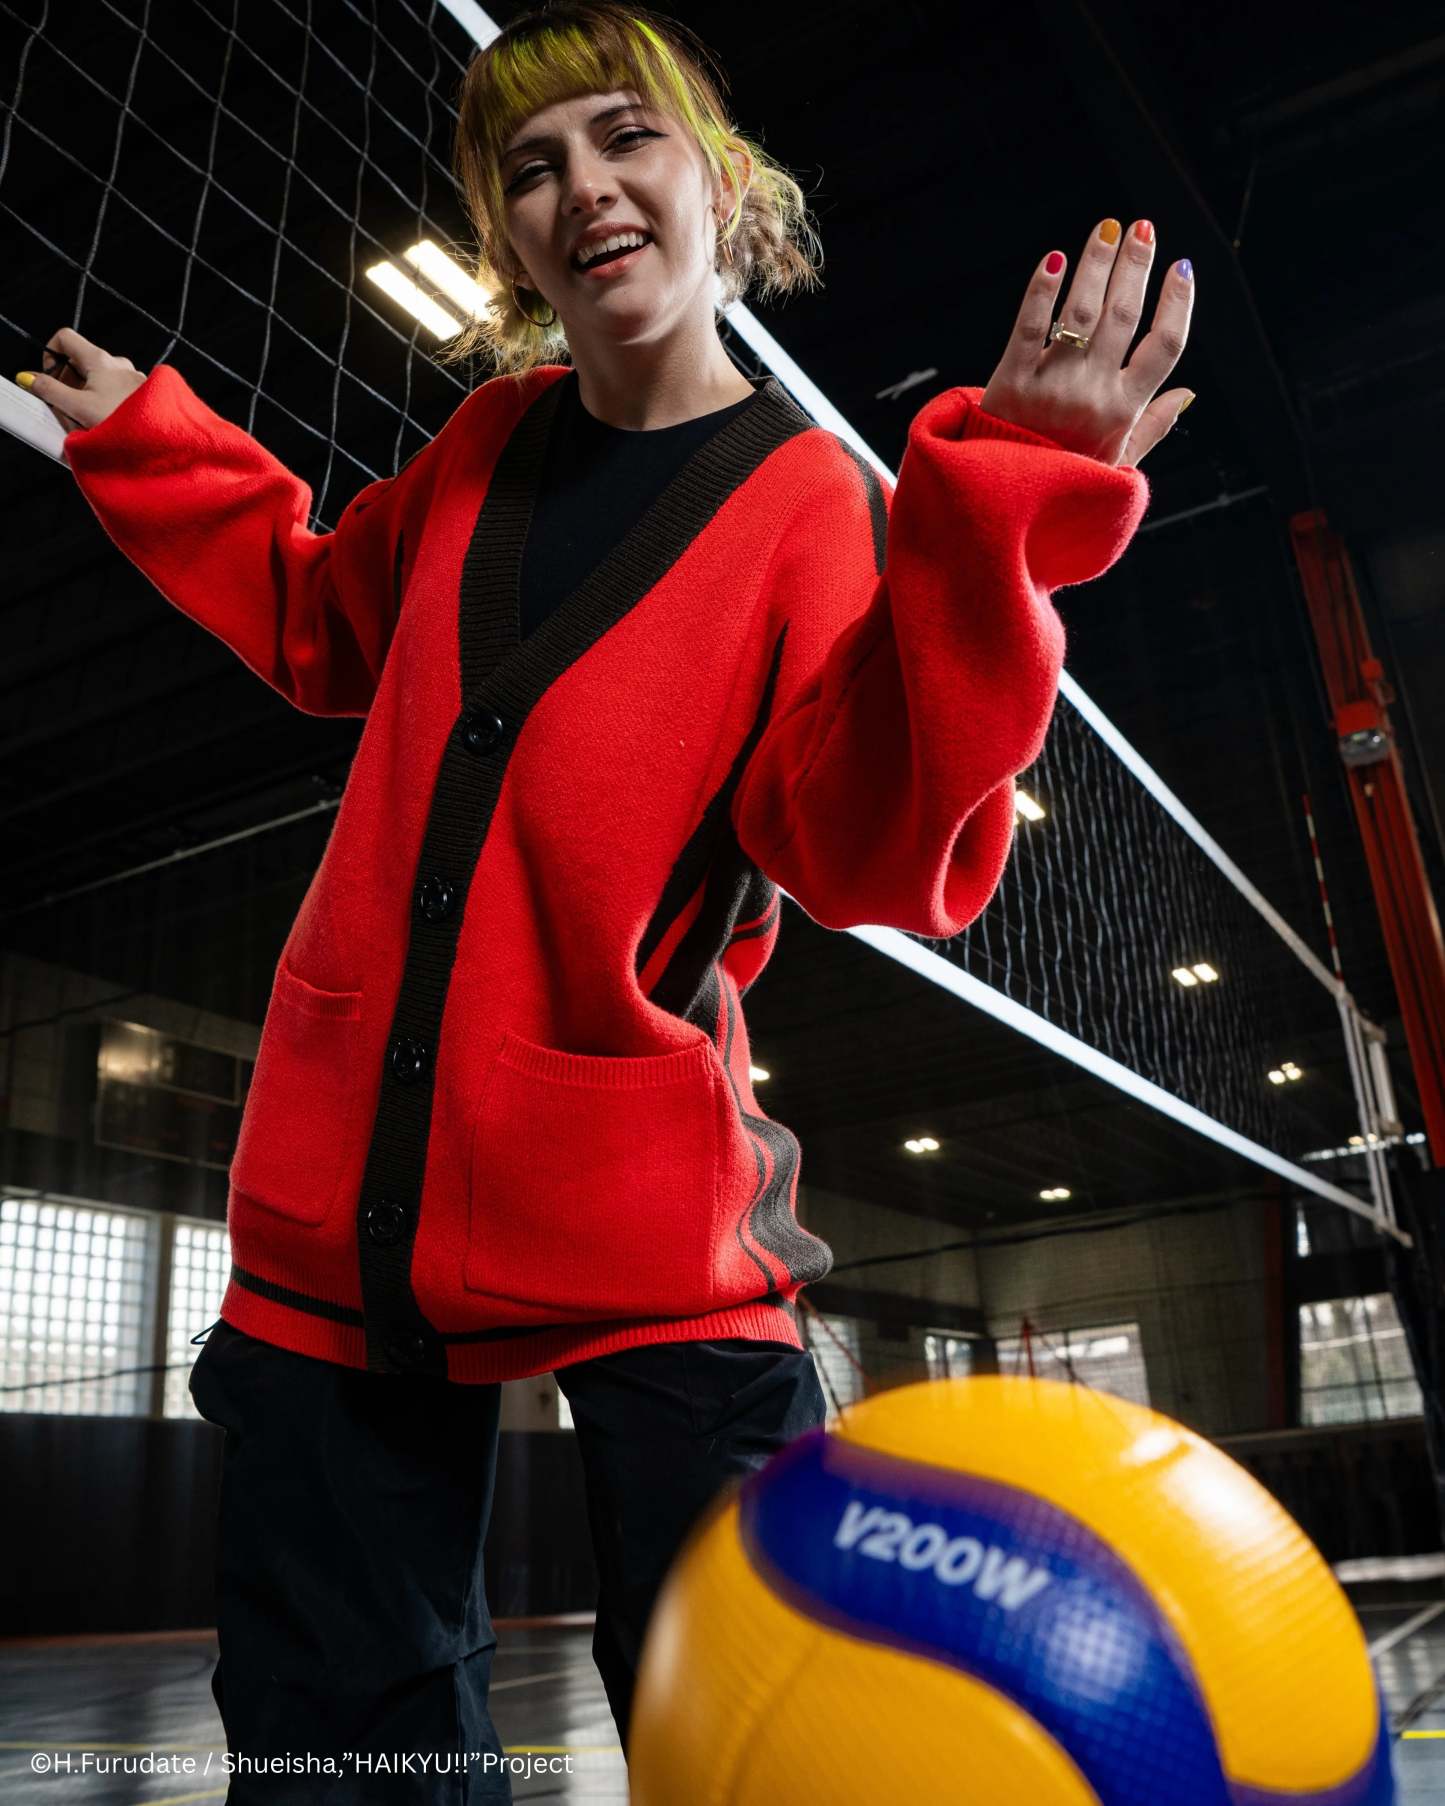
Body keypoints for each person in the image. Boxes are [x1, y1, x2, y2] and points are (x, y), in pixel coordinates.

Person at [19, 4, 1192, 1798]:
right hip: (337, 1221)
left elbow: (865, 847)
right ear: (507, 240)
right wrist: (152, 447)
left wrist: (997, 513)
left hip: (653, 1230)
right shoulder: (482, 441)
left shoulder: (811, 502)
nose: (582, 186)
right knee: (343, 1766)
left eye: (625, 136)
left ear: (723, 180)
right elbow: (322, 616)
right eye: (530, 167)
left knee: (755, 1747)